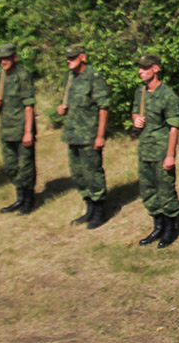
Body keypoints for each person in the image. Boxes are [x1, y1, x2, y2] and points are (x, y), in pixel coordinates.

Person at [57, 44, 109, 229]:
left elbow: (103, 107)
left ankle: (99, 210)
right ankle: (89, 208)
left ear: (83, 57)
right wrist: (63, 109)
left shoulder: (93, 77)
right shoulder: (71, 77)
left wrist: (100, 136)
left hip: (89, 134)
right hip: (73, 133)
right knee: (78, 173)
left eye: (72, 58)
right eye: (68, 58)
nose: (69, 61)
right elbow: (74, 103)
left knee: (93, 172)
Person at [132, 54, 179, 248]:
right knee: (148, 189)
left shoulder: (168, 95)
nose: (140, 71)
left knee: (165, 189)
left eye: (145, 68)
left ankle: (170, 228)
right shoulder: (141, 92)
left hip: (161, 148)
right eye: (140, 68)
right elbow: (136, 111)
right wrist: (136, 119)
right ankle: (158, 226)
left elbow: (174, 127)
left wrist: (170, 155)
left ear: (156, 69)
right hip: (145, 147)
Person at [0, 44, 37, 214]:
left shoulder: (23, 76)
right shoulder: (0, 77)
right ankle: (19, 198)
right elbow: (2, 105)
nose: (3, 61)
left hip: (21, 128)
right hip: (6, 129)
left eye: (7, 58)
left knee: (26, 166)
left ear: (15, 58)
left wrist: (28, 132)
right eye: (1, 59)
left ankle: (28, 200)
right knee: (11, 166)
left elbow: (29, 106)